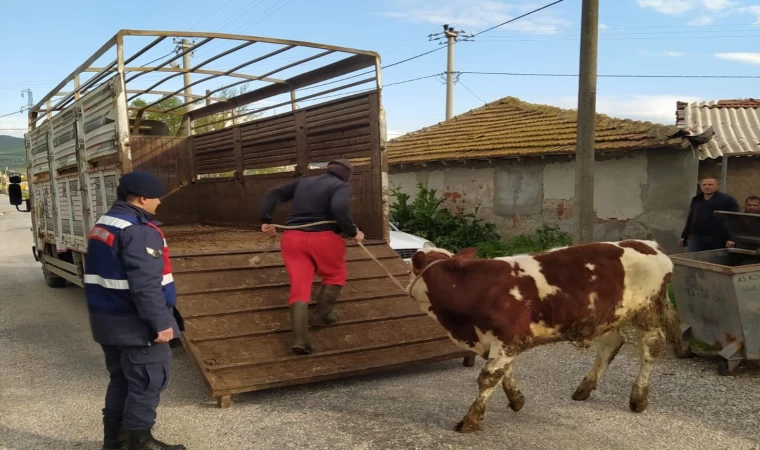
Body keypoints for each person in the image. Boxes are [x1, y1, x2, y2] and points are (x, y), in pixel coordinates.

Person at [84, 171, 185, 450]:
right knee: (147, 382)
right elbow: (145, 285)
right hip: (136, 324)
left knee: (121, 380)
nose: (159, 202)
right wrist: (161, 323)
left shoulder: (106, 223)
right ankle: (141, 443)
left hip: (107, 319)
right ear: (142, 199)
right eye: (156, 198)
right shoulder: (138, 230)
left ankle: (114, 442)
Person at [259, 159, 364, 355]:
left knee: (300, 287)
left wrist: (266, 219)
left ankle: (301, 340)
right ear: (346, 176)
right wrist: (352, 232)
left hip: (292, 238)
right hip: (323, 238)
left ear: (328, 170)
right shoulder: (340, 186)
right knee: (334, 275)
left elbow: (273, 192)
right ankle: (321, 316)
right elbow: (339, 208)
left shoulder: (304, 182)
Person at [679, 176, 740, 252]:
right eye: (704, 185)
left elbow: (735, 221)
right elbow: (691, 218)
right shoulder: (697, 200)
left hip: (718, 238)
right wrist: (684, 235)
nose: (707, 187)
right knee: (693, 260)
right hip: (697, 237)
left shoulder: (728, 200)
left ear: (717, 186)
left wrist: (732, 239)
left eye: (710, 184)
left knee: (715, 261)